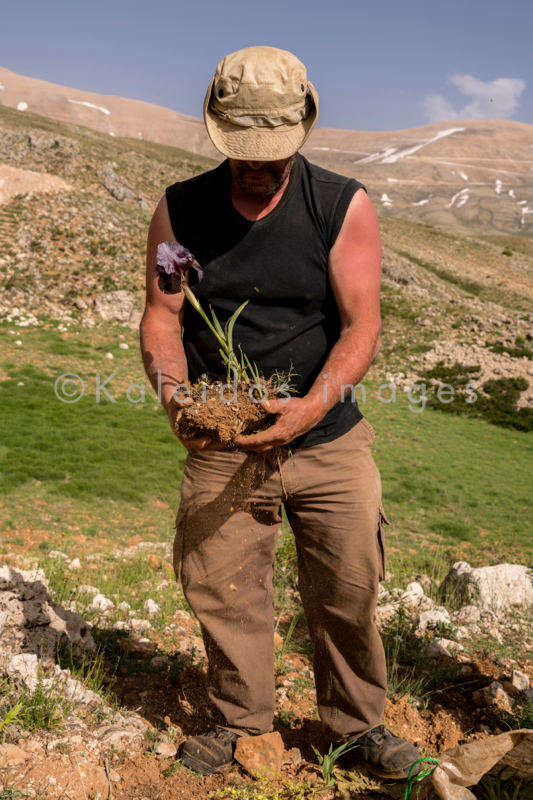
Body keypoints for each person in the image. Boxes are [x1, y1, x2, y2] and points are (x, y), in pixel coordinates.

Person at [140, 46, 421, 780]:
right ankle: (238, 724)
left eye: (273, 152)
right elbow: (163, 317)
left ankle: (358, 729)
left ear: (302, 128)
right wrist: (176, 396)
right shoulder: (181, 207)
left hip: (326, 439)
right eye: (242, 153)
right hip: (224, 439)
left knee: (348, 589)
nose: (258, 166)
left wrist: (307, 410)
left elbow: (361, 324)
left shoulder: (339, 203)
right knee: (222, 587)